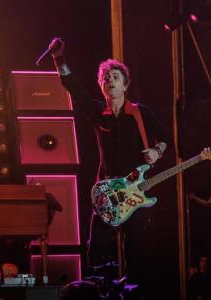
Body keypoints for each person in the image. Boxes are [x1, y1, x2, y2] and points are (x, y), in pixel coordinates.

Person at [49, 37, 167, 292]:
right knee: (97, 248)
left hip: (136, 194)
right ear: (101, 86)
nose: (109, 81)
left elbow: (167, 140)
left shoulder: (141, 113)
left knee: (137, 250)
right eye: (105, 78)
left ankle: (134, 292)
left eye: (115, 77)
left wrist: (158, 151)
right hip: (106, 194)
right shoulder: (96, 111)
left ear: (125, 84)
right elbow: (74, 88)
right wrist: (59, 59)